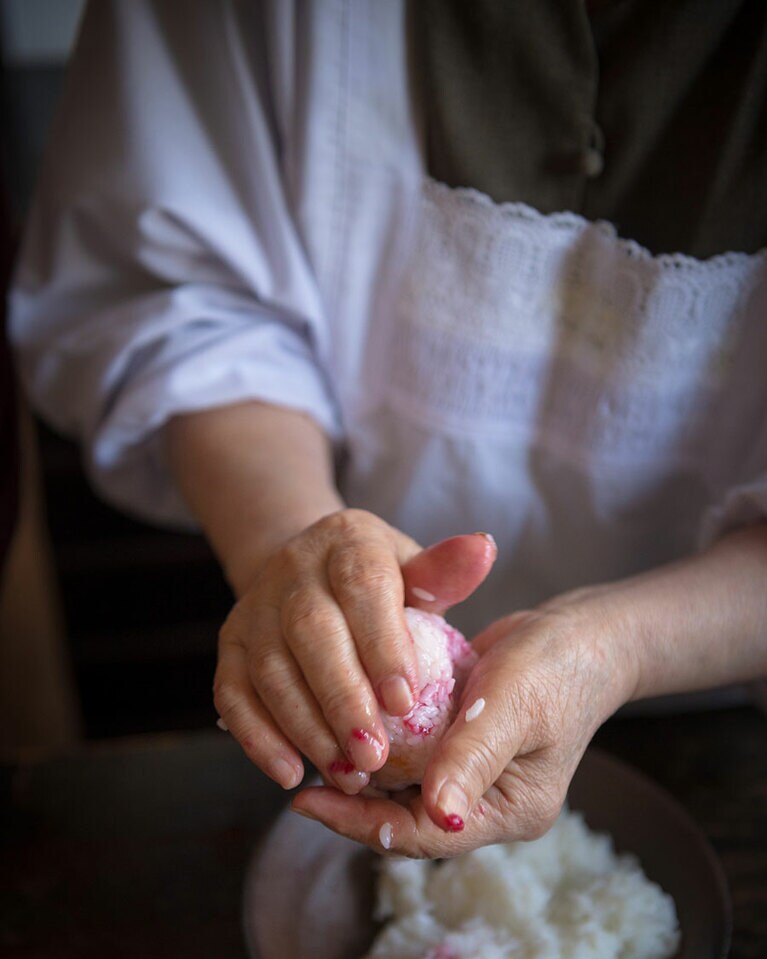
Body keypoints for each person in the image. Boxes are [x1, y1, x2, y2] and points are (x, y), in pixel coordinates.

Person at [9, 0, 767, 858]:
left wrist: (621, 647)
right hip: (336, 695)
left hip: (727, 718)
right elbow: (177, 297)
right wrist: (289, 544)